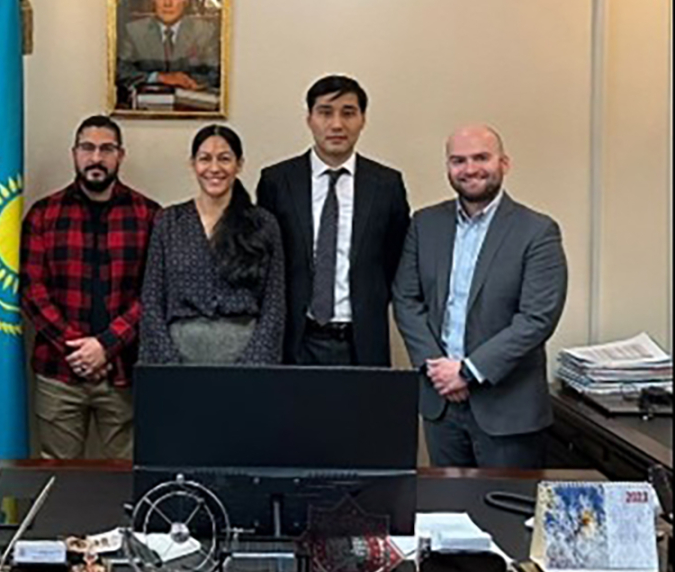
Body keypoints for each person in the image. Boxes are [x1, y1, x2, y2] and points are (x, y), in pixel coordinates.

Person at [393, 126, 567, 468]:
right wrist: (439, 371)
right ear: (448, 167)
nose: (470, 169)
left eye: (481, 158)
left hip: (508, 409)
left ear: (504, 163)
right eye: (458, 160)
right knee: (446, 515)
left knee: (505, 517)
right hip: (441, 405)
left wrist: (469, 371)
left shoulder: (538, 231)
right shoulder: (424, 224)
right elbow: (406, 299)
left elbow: (537, 318)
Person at [20, 115, 160, 460]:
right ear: (74, 153)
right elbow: (32, 290)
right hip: (59, 373)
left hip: (125, 371)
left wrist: (106, 345)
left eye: (106, 149)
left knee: (127, 478)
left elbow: (155, 293)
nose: (96, 158)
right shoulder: (43, 214)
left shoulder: (150, 215)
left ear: (120, 156)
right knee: (56, 479)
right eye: (88, 148)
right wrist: (80, 350)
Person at [257, 75, 411, 366]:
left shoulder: (386, 185)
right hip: (294, 339)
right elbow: (266, 261)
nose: (337, 124)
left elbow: (395, 259)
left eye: (348, 113)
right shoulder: (277, 181)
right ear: (309, 119)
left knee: (361, 413)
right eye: (325, 112)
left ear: (363, 119)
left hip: (361, 340)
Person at [141, 124, 285, 366]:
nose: (214, 168)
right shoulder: (168, 221)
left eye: (225, 159)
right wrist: (168, 363)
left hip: (245, 360)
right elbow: (152, 299)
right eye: (205, 159)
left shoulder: (263, 224)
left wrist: (253, 365)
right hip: (177, 358)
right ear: (193, 164)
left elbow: (274, 304)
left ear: (239, 164)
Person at [115, 0, 221, 100]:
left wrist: (185, 80)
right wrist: (159, 77)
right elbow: (121, 71)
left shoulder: (205, 31)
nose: (167, 4)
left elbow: (216, 73)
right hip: (146, 106)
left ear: (186, 0)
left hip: (190, 105)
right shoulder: (134, 30)